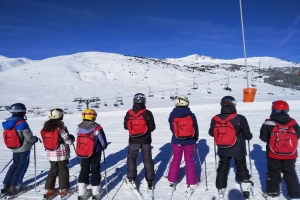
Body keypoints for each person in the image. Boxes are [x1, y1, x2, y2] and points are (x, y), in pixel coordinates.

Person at [208, 96, 253, 199]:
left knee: (223, 167)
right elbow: (247, 134)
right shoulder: (240, 118)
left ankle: (220, 187)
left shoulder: (215, 118)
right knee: (241, 166)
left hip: (223, 148)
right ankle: (245, 187)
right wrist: (249, 137)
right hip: (239, 148)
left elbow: (211, 133)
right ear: (234, 104)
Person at [259, 100, 300, 200]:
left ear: (273, 109)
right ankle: (295, 195)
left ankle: (273, 194)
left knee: (273, 173)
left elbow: (263, 138)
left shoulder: (268, 123)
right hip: (291, 154)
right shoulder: (293, 123)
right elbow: (298, 136)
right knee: (290, 172)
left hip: (273, 154)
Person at [1, 103, 39, 195]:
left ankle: (7, 185)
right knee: (22, 166)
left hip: (14, 147)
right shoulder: (22, 122)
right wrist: (35, 139)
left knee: (14, 165)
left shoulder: (8, 122)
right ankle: (15, 186)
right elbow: (29, 137)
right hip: (24, 148)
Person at [123, 93, 156, 190]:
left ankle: (131, 178)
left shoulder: (129, 113)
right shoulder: (148, 113)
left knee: (132, 159)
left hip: (133, 140)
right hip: (146, 140)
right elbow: (152, 127)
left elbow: (126, 126)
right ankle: (150, 179)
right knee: (147, 159)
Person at [167, 95, 199, 193]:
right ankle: (191, 182)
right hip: (189, 141)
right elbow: (195, 128)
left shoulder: (172, 115)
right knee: (189, 160)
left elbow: (172, 128)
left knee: (176, 159)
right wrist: (195, 138)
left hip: (176, 141)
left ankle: (172, 179)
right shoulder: (191, 115)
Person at [41, 108, 75, 198]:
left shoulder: (46, 127)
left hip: (51, 153)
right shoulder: (60, 127)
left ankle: (49, 190)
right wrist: (72, 139)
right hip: (61, 153)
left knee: (53, 170)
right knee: (63, 170)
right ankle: (64, 190)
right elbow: (68, 140)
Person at [76, 109, 108, 199]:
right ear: (94, 116)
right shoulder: (97, 128)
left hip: (83, 152)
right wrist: (103, 147)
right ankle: (96, 190)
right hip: (95, 152)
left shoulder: (79, 127)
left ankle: (82, 191)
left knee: (84, 169)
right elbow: (103, 142)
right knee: (95, 169)